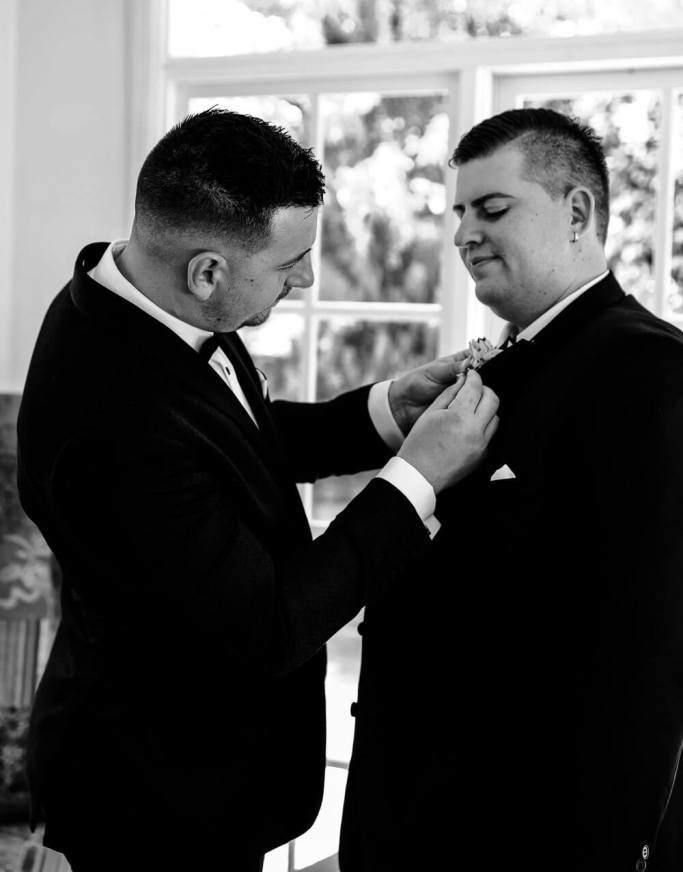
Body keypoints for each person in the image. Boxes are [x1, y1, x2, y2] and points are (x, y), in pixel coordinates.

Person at [17, 108, 499, 872]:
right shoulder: (108, 424)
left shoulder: (143, 301)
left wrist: (383, 413)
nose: (306, 280)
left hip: (200, 781)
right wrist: (418, 478)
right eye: (289, 265)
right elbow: (266, 627)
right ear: (207, 270)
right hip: (155, 801)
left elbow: (232, 437)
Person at [339, 107, 683, 872]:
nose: (463, 234)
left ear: (578, 212)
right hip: (413, 807)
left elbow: (647, 647)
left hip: (518, 828)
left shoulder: (646, 373)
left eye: (491, 209)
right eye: (457, 211)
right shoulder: (502, 363)